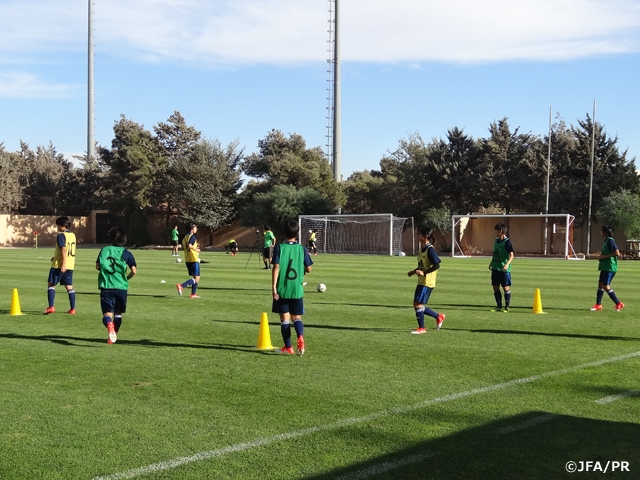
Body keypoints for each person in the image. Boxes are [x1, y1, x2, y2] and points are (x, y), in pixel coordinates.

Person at [272, 220, 313, 355]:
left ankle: (288, 347)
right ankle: (300, 336)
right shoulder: (302, 249)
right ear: (298, 233)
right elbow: (309, 269)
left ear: (285, 232)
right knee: (297, 318)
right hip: (297, 289)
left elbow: (276, 267)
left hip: (282, 289)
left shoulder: (279, 248)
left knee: (285, 319)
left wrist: (273, 287)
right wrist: (303, 273)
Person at [96, 226, 137, 344]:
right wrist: (126, 278)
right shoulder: (126, 253)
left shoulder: (104, 250)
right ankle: (112, 337)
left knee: (107, 313)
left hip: (106, 286)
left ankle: (109, 326)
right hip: (121, 287)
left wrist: (106, 273)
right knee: (118, 314)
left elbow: (98, 266)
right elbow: (134, 271)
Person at [407, 227, 445, 333]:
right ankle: (439, 316)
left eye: (420, 235)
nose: (418, 237)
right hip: (421, 281)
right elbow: (422, 266)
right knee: (416, 304)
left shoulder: (430, 250)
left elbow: (437, 265)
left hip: (427, 281)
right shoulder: (422, 250)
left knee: (418, 304)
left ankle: (422, 328)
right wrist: (414, 271)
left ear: (425, 237)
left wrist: (424, 273)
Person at [44, 216, 77, 315]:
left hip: (59, 266)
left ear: (62, 226)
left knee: (51, 285)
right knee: (69, 287)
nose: (57, 227)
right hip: (70, 265)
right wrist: (56, 257)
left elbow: (64, 249)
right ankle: (73, 309)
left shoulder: (61, 235)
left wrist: (63, 264)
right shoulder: (73, 235)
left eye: (58, 225)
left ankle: (51, 307)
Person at [591, 225, 624, 311]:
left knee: (606, 286)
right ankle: (598, 305)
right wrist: (601, 257)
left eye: (601, 231)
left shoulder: (610, 241)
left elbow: (617, 253)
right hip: (605, 266)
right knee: (600, 284)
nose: (600, 233)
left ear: (605, 233)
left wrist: (604, 256)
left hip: (610, 267)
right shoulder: (606, 241)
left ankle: (618, 303)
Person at [489, 223, 514, 312]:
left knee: (505, 287)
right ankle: (498, 306)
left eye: (496, 230)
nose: (495, 232)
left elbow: (512, 255)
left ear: (500, 231)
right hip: (495, 268)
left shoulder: (507, 242)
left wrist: (507, 264)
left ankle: (506, 307)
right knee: (495, 287)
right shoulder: (496, 241)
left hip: (504, 270)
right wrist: (492, 262)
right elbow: (495, 252)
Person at [177, 222, 201, 298]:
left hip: (187, 259)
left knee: (195, 277)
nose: (196, 229)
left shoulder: (185, 237)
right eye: (195, 228)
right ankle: (181, 286)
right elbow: (189, 246)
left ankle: (193, 294)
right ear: (192, 229)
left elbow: (184, 247)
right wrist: (196, 249)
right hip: (193, 259)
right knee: (197, 277)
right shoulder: (192, 236)